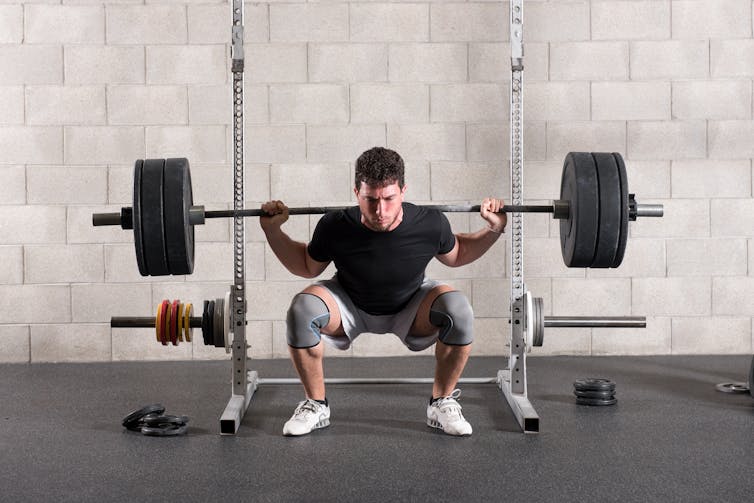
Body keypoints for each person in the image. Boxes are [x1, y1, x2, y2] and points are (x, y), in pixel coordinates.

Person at [260, 147, 506, 437]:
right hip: (348, 306)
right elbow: (306, 265)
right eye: (370, 199)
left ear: (403, 190)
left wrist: (494, 229)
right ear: (356, 192)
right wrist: (273, 232)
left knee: (458, 308)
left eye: (389, 199)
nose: (380, 210)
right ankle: (316, 404)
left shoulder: (430, 222)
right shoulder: (335, 225)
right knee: (302, 309)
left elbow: (459, 253)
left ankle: (441, 403)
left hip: (411, 307)